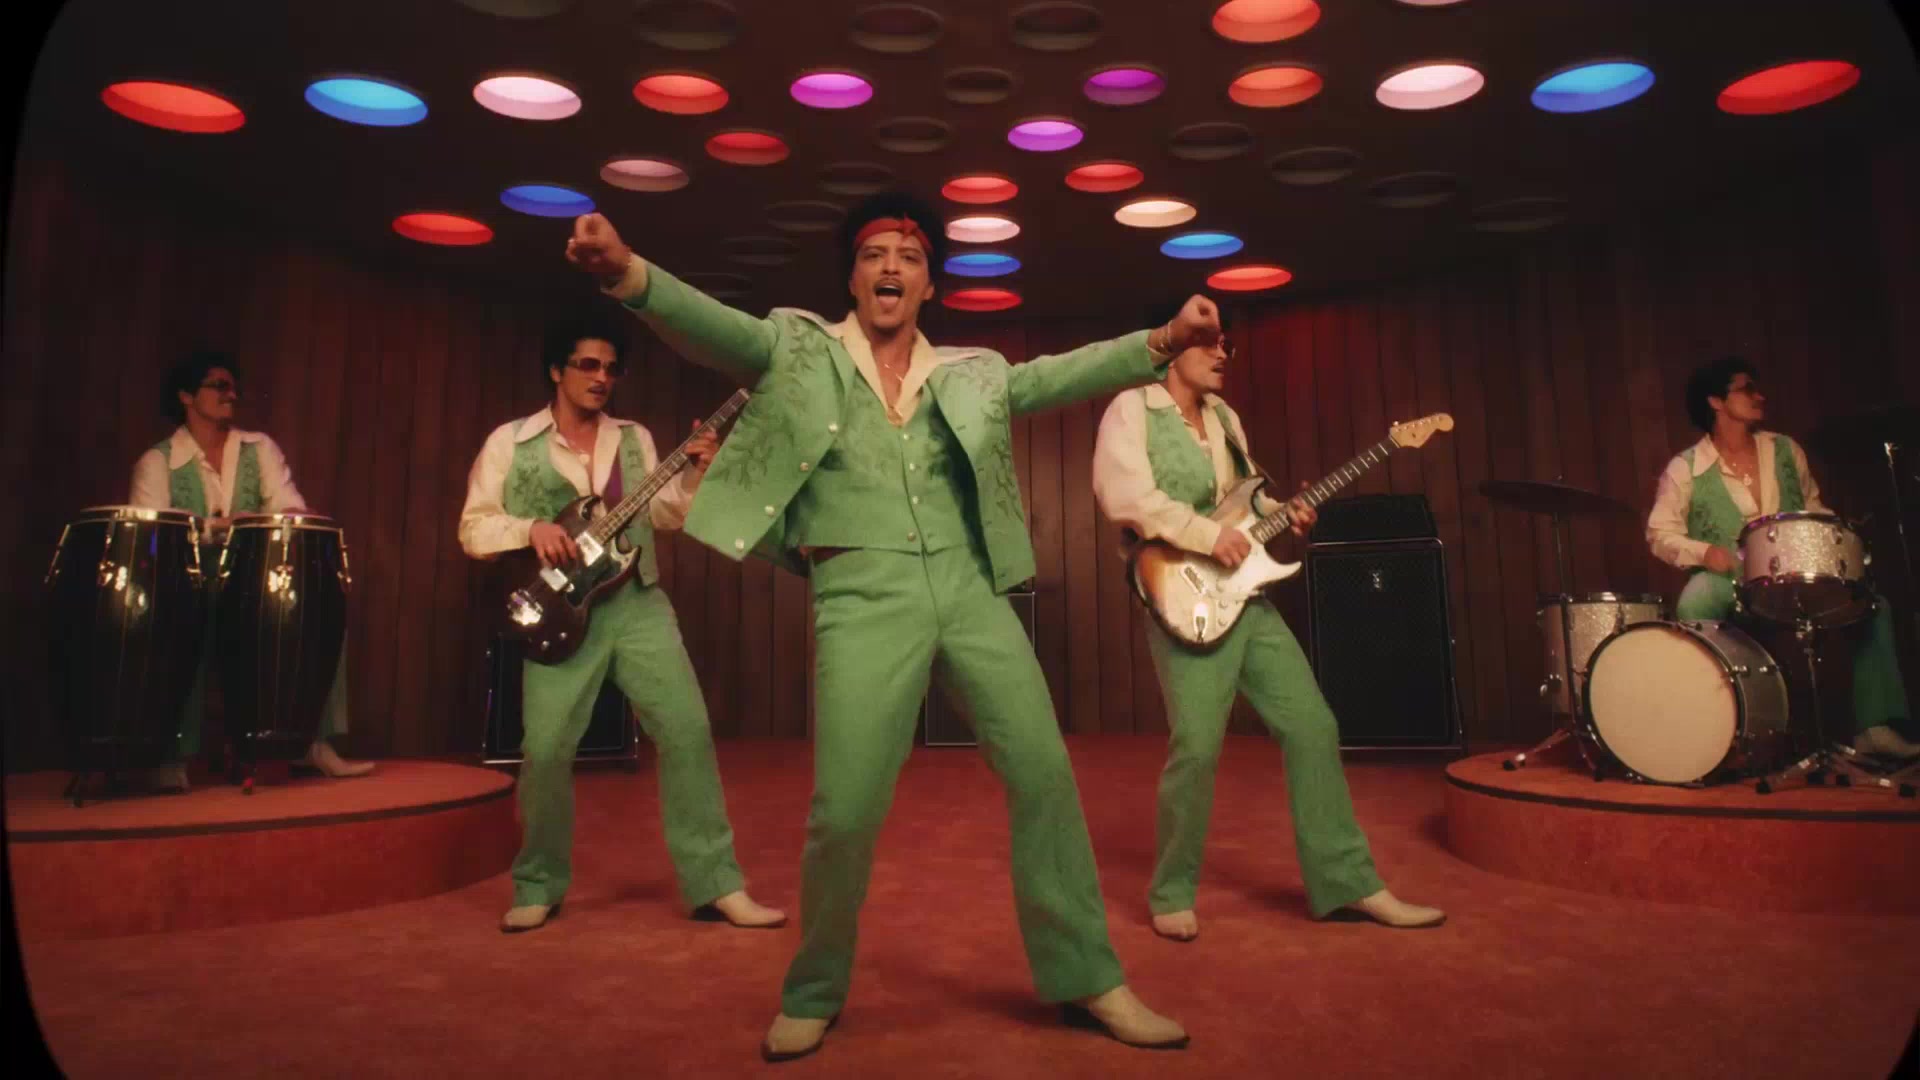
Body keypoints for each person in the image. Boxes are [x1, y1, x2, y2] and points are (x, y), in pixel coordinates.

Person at [565, 192, 1206, 1060]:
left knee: (1045, 776)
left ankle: (1088, 977)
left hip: (970, 587)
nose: (890, 268)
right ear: (853, 278)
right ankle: (816, 988)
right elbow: (714, 329)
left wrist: (1161, 340)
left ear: (930, 283)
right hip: (861, 592)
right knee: (846, 807)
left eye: (908, 256)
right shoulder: (799, 348)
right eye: (874, 256)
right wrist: (626, 273)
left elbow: (1055, 376)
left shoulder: (972, 371)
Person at [1090, 316, 1446, 943]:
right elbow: (1126, 497)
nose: (1222, 353)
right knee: (1197, 747)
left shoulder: (1226, 420)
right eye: (1209, 342)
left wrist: (1286, 513)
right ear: (1173, 347)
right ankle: (1171, 892)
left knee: (1312, 726)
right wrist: (1207, 536)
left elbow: (1243, 505)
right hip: (1182, 594)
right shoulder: (1132, 409)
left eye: (1226, 344)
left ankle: (1345, 883)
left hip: (1245, 596)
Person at [457, 312, 786, 934]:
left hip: (637, 602)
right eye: (588, 365)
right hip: (559, 615)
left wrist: (696, 470)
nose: (601, 377)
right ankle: (538, 884)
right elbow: (473, 529)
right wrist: (529, 529)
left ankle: (716, 884)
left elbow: (664, 515)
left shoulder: (634, 439)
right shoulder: (511, 441)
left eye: (611, 368)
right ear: (556, 371)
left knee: (687, 732)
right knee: (545, 751)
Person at [1646, 357, 1916, 758]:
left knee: (1873, 605)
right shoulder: (1685, 468)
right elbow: (1659, 532)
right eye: (1747, 388)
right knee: (1696, 599)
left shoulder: (1786, 450)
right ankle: (1711, 728)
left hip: (1797, 572)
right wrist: (1704, 552)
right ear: (1716, 401)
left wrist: (1837, 540)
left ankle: (1874, 727)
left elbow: (1814, 508)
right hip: (1734, 578)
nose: (1760, 396)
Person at [129, 350, 371, 788]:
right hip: (187, 589)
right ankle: (168, 753)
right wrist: (220, 527)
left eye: (233, 386)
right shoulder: (157, 462)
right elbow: (156, 535)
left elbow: (290, 509)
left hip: (250, 588)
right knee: (169, 619)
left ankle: (310, 743)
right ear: (186, 395)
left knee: (315, 610)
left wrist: (257, 525)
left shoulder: (259, 450)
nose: (231, 394)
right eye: (219, 385)